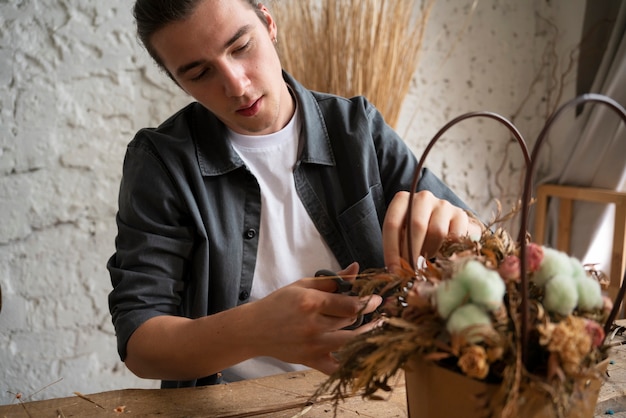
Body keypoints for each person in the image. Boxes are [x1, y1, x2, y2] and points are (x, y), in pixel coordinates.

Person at [107, 0, 484, 388]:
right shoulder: (161, 162)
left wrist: (461, 236)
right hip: (231, 406)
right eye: (200, 73)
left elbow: (486, 250)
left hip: (376, 394)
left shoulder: (357, 128)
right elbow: (140, 342)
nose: (236, 84)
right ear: (177, 81)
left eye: (240, 48)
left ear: (268, 23)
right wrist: (255, 329)